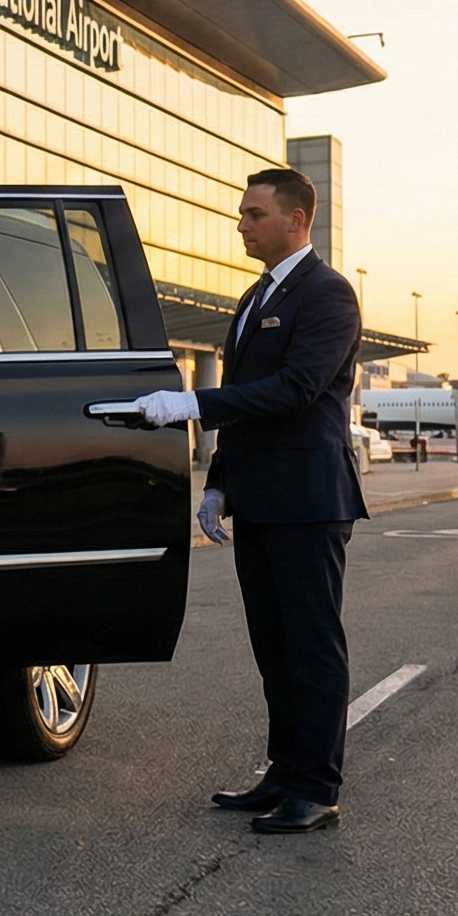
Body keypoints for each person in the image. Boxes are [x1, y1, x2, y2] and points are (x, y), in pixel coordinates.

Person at [134, 168, 367, 833]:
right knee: (273, 645)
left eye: (254, 214)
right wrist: (219, 484)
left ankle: (317, 787)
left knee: (311, 646)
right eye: (242, 214)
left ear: (296, 219)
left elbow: (295, 390)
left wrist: (190, 403)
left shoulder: (328, 295)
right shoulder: (253, 297)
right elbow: (248, 405)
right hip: (261, 498)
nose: (242, 225)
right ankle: (284, 772)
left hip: (308, 498)